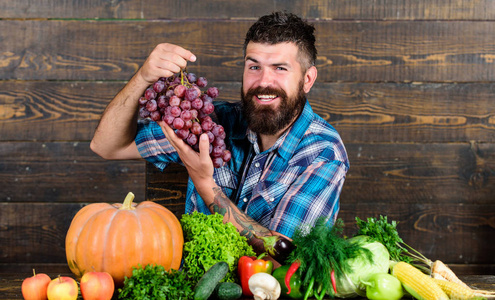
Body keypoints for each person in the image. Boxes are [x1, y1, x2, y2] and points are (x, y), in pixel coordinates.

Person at [90, 11, 349, 255]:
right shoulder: (210, 123)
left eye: (280, 68)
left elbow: (284, 260)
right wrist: (143, 78)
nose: (263, 82)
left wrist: (205, 184)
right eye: (254, 66)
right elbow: (107, 146)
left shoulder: (323, 152)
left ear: (307, 79)